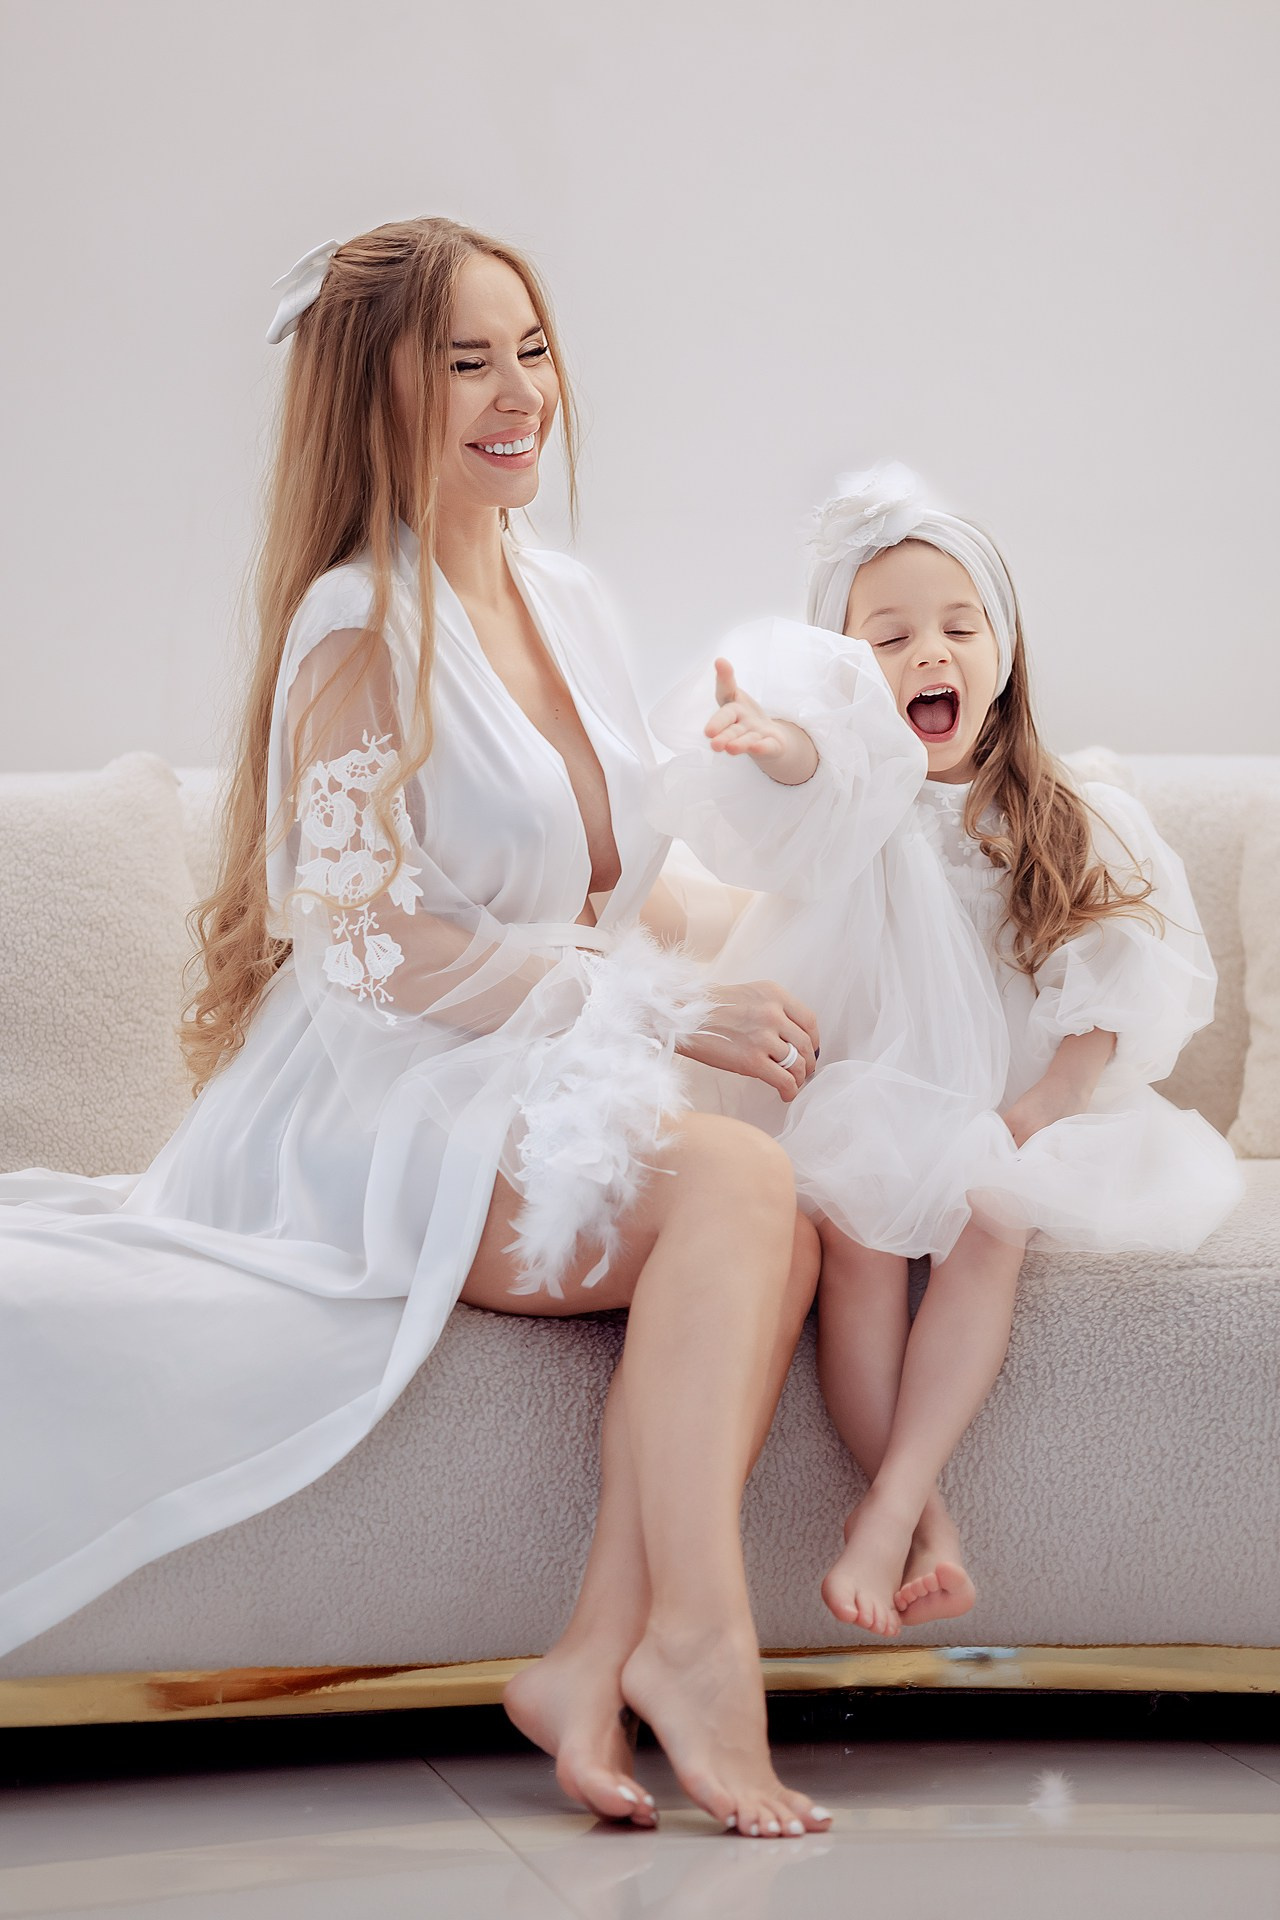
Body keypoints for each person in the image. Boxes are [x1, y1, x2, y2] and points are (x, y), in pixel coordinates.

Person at [0, 217, 835, 1838]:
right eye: (467, 363)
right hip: (382, 1087)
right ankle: (699, 1648)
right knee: (740, 1187)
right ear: (374, 394)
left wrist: (791, 946)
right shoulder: (355, 627)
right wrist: (669, 1009)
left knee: (786, 1216)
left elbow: (622, 880)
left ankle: (593, 1659)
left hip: (542, 1060)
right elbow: (374, 943)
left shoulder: (567, 597)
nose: (520, 394)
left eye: (532, 349)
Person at [650, 460, 1243, 1641]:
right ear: (844, 675)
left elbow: (1110, 975)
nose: (929, 653)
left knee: (992, 1209)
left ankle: (889, 1512)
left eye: (957, 628)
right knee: (860, 1237)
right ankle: (920, 1527)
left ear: (1002, 652)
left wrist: (1046, 1104)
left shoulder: (1069, 811)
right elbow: (798, 783)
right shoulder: (855, 806)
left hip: (1018, 1103)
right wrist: (776, 743)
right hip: (870, 1092)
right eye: (888, 639)